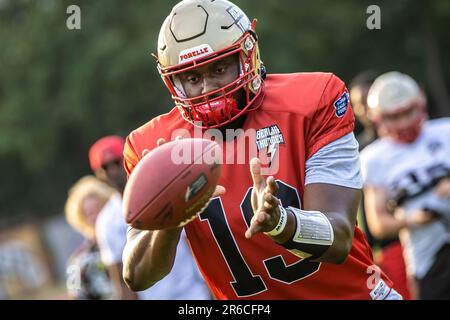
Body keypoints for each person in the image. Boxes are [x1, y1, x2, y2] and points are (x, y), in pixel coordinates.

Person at [122, 0, 401, 299]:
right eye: (192, 78)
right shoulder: (152, 146)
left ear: (248, 55)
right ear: (173, 81)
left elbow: (339, 238)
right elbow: (137, 276)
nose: (206, 89)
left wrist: (281, 222)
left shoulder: (314, 101)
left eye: (219, 68)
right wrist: (171, 213)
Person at [360, 71, 450, 299]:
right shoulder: (374, 158)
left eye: (408, 112)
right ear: (377, 117)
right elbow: (378, 223)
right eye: (394, 116)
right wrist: (411, 219)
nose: (403, 122)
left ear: (420, 102)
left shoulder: (445, 131)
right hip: (428, 259)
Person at [89, 136, 211, 300]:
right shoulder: (106, 221)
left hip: (194, 294)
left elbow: (193, 245)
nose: (112, 171)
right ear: (99, 174)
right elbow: (122, 279)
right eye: (105, 167)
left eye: (116, 162)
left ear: (126, 160)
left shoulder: (161, 195)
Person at [349, 71, 411, 299]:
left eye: (367, 100)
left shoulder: (407, 141)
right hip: (385, 245)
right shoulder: (357, 149)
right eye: (358, 104)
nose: (364, 109)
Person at [65, 176, 116, 300]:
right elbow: (76, 296)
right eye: (89, 213)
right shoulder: (78, 261)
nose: (96, 218)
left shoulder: (127, 243)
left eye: (100, 209)